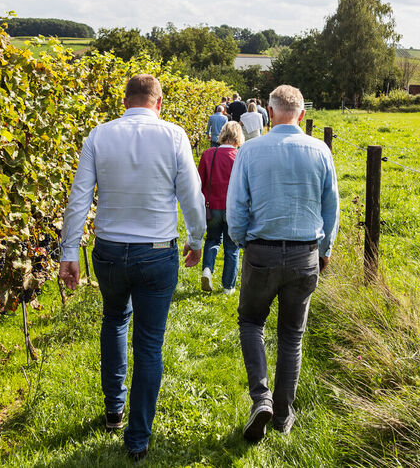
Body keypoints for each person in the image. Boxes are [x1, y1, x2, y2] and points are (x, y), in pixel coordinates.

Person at [58, 74, 206, 461]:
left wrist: (69, 252)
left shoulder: (99, 135)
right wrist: (197, 239)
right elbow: (191, 194)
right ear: (159, 102)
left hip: (108, 250)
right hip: (157, 251)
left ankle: (113, 410)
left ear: (125, 101)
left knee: (114, 321)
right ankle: (138, 437)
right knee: (150, 344)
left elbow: (79, 198)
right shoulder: (174, 136)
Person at [226, 84, 339, 442]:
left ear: (269, 114)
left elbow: (236, 205)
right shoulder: (320, 150)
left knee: (251, 321)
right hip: (305, 251)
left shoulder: (250, 150)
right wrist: (325, 249)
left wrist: (242, 239)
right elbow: (331, 206)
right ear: (302, 114)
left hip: (262, 249)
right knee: (292, 335)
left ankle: (261, 397)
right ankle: (283, 413)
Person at [197, 121, 244, 294]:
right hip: (233, 209)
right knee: (232, 248)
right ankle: (228, 287)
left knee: (212, 240)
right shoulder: (239, 156)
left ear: (222, 134)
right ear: (238, 137)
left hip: (212, 207)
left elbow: (199, 182)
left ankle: (207, 270)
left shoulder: (209, 154)